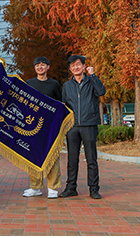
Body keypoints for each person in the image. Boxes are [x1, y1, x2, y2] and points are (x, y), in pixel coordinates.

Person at [60, 55, 106, 199]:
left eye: (78, 64)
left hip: (89, 124)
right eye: (72, 66)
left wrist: (93, 75)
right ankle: (71, 187)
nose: (76, 67)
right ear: (70, 69)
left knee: (91, 158)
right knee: (72, 159)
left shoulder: (92, 81)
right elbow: (65, 105)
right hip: (73, 127)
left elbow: (101, 92)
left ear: (84, 66)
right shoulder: (67, 86)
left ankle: (93, 188)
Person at [23, 57, 62, 199]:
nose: (40, 67)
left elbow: (59, 103)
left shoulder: (54, 84)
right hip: (33, 126)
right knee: (33, 156)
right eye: (37, 65)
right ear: (34, 68)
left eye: (43, 65)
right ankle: (35, 187)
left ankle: (53, 187)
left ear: (48, 67)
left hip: (51, 126)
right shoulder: (29, 83)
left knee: (53, 155)